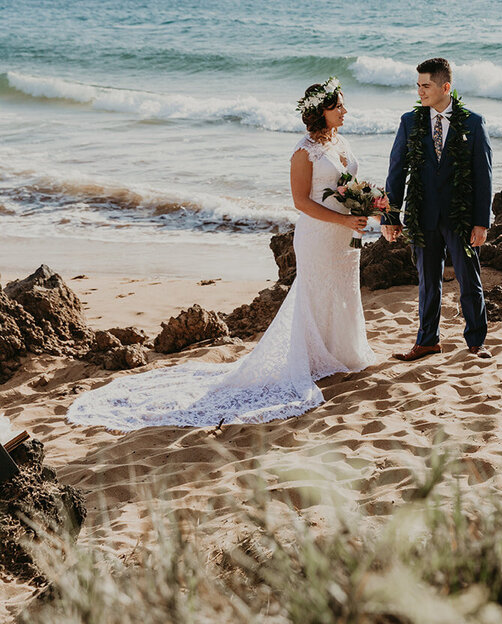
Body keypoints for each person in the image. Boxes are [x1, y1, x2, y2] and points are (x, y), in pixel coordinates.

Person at [67, 78, 380, 430]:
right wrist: (343, 217)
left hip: (344, 235)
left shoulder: (342, 142)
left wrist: (367, 208)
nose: (345, 111)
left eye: (343, 105)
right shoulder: (303, 151)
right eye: (338, 106)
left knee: (341, 291)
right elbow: (301, 202)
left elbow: (351, 186)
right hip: (319, 235)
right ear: (320, 112)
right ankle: (310, 360)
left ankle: (341, 353)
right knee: (315, 293)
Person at [382, 58, 494, 361]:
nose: (420, 91)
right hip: (422, 215)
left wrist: (481, 222)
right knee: (427, 283)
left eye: (426, 85)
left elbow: (484, 175)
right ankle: (427, 340)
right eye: (418, 85)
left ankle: (476, 342)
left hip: (462, 217)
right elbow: (395, 171)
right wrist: (390, 216)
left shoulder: (472, 122)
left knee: (470, 280)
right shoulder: (409, 122)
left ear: (446, 87)